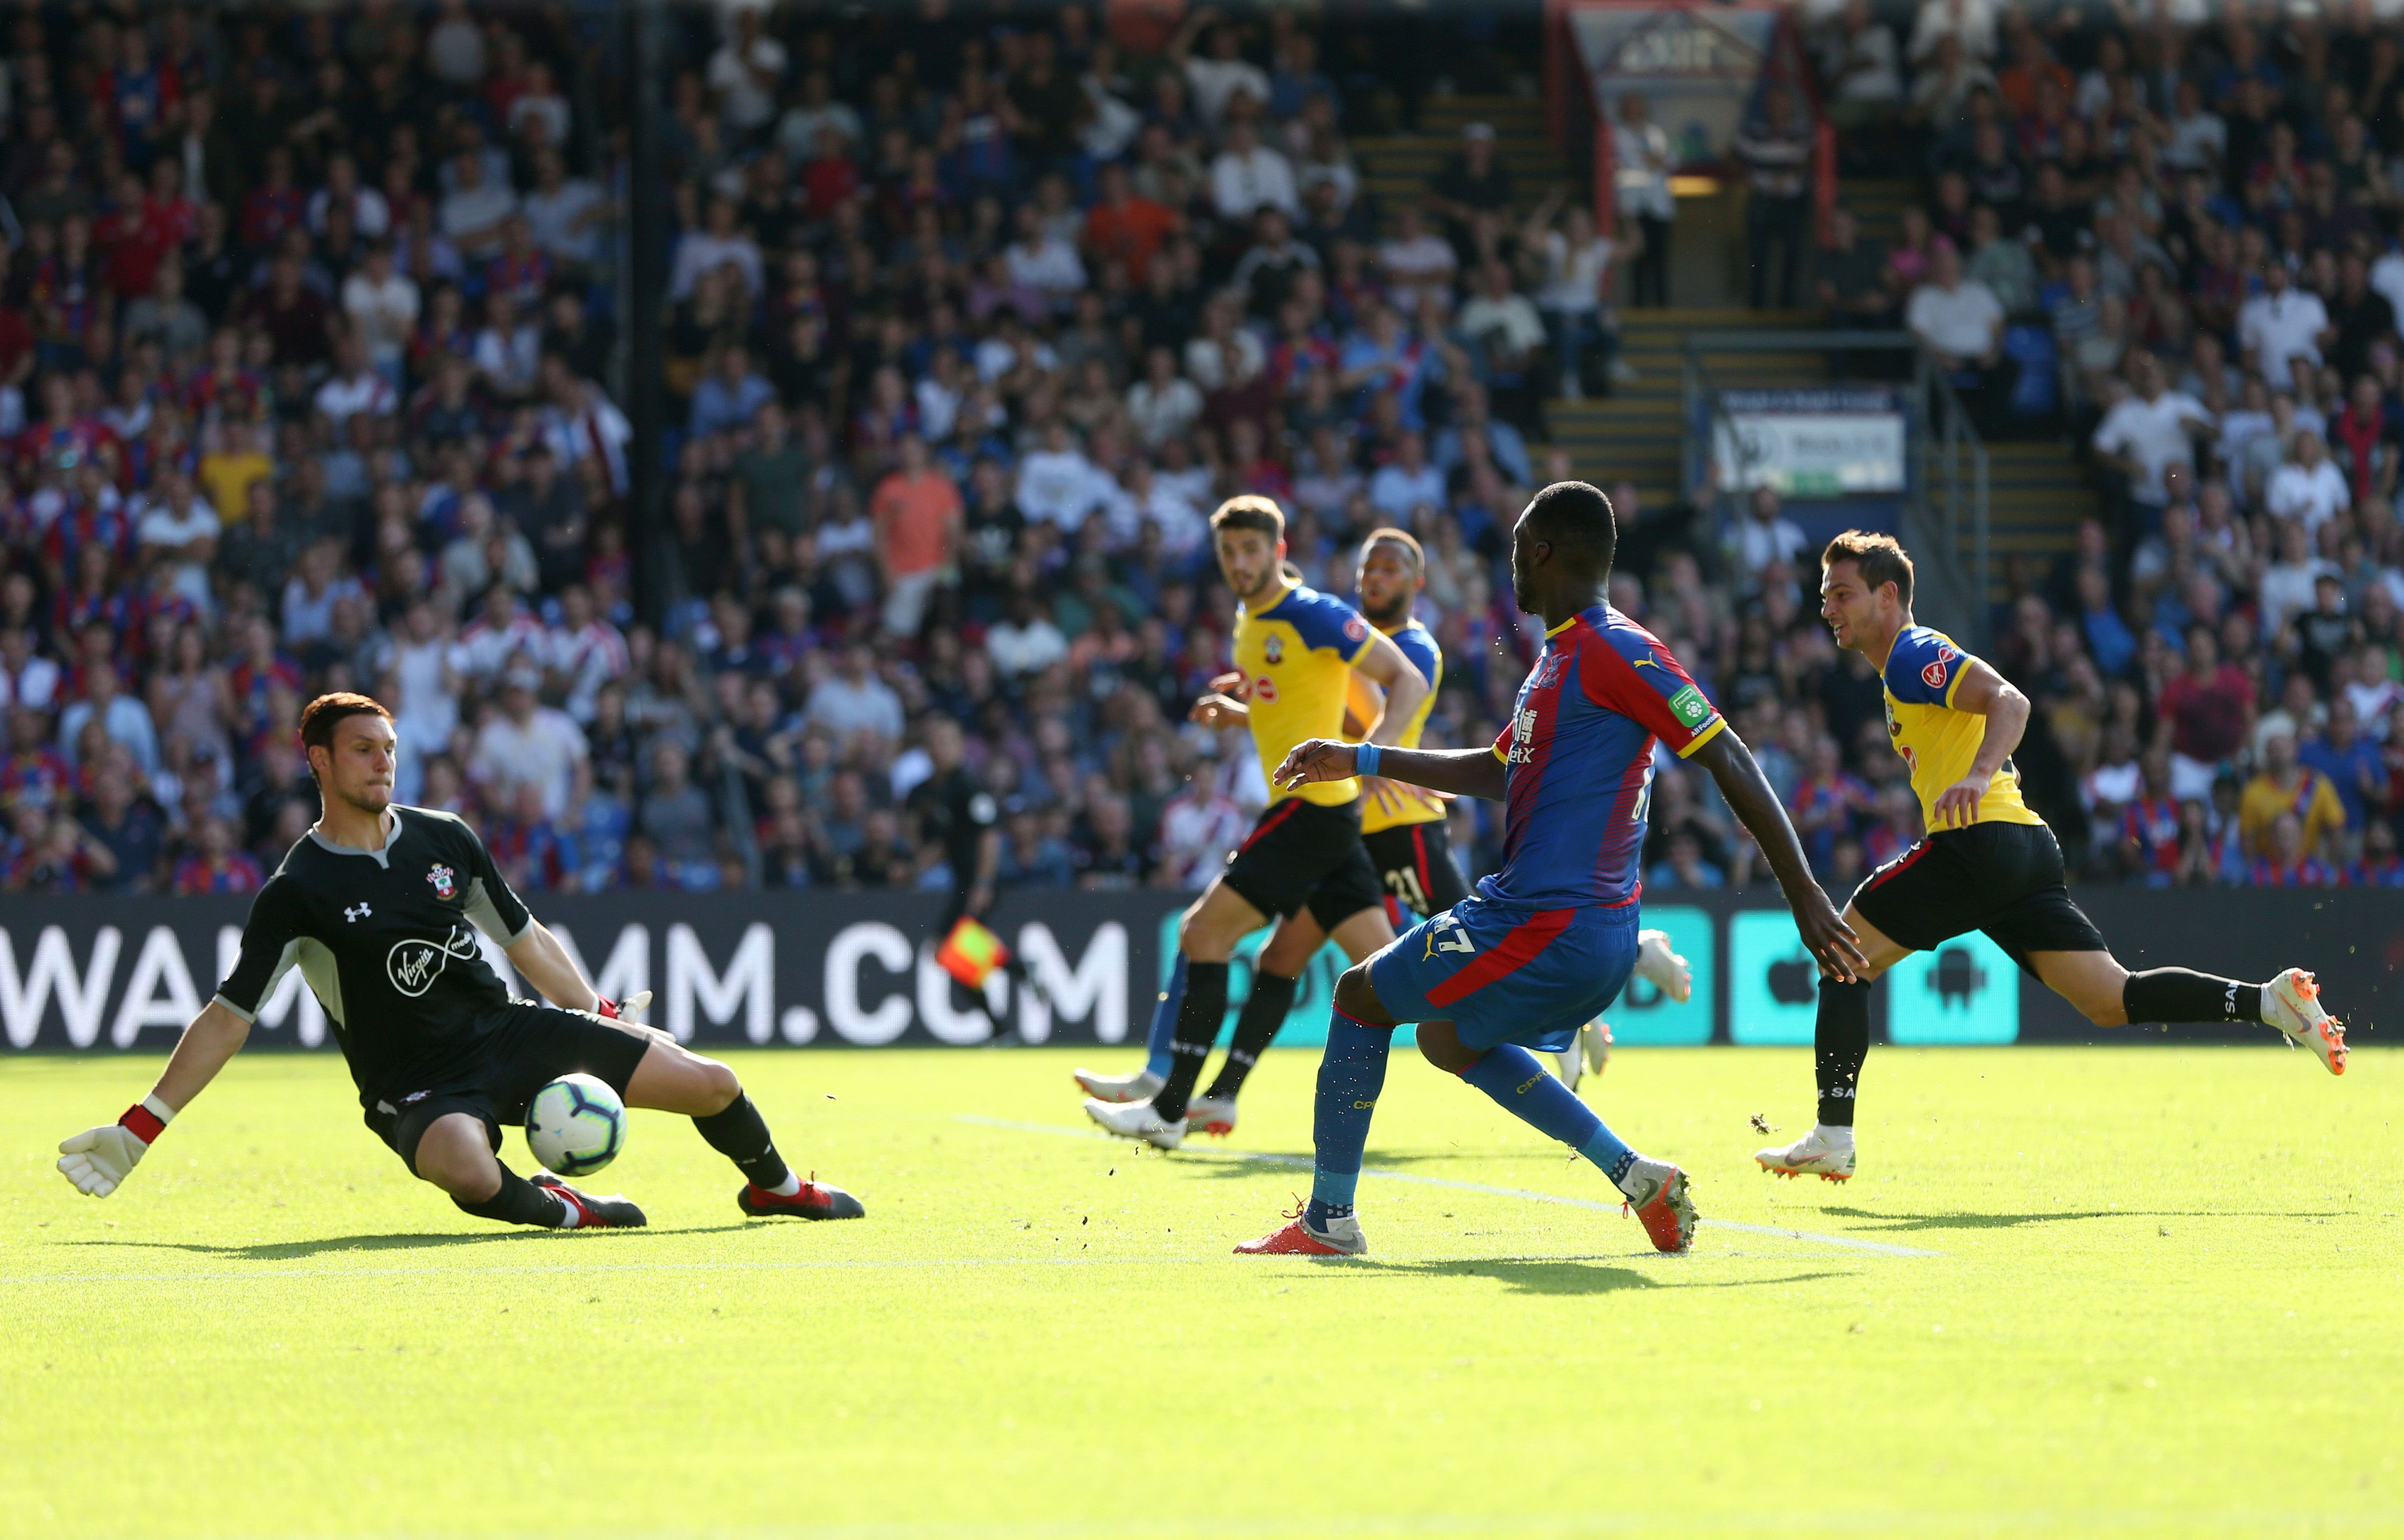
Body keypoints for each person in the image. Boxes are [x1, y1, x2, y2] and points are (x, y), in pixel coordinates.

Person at [1237, 481, 1862, 1257]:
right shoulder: (1560, 658)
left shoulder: (1614, 647)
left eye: (1514, 552)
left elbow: (1726, 752)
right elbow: (1499, 769)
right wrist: (1360, 755)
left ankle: (1329, 1221)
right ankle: (1639, 1178)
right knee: (1446, 1039)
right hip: (1569, 927)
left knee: (1359, 996)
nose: (1510, 570)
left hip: (1545, 921)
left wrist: (1803, 895)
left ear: (1540, 550)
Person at [55, 693, 865, 1227]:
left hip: (507, 1033)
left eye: (390, 748)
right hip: (413, 1082)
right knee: (469, 1172)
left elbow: (525, 939)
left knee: (713, 1084)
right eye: (364, 749)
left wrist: (595, 1009)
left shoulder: (445, 838)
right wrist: (143, 1125)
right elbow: (227, 1020)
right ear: (321, 762)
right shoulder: (297, 890)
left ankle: (778, 1188)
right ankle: (565, 1210)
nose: (383, 762)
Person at [1753, 533, 2349, 1182]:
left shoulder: (1911, 653)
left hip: (1978, 844)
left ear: (1888, 595)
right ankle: (2268, 1002)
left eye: (1843, 594)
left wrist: (1979, 776)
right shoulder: (1901, 667)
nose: (1829, 608)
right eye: (1824, 597)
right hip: (2024, 851)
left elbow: (2011, 700)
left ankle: (1833, 1134)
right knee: (2110, 999)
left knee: (1843, 956)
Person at [1081, 498, 1429, 1148]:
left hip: (1312, 812)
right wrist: (1238, 712)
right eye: (1228, 553)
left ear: (1277, 549)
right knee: (1393, 974)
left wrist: (1376, 755)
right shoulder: (1252, 620)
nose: (1239, 564)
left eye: (1250, 551)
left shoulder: (1313, 613)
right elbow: (1293, 704)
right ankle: (1532, 1016)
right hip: (1335, 822)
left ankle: (1170, 1110)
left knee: (1202, 933)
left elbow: (1404, 678)